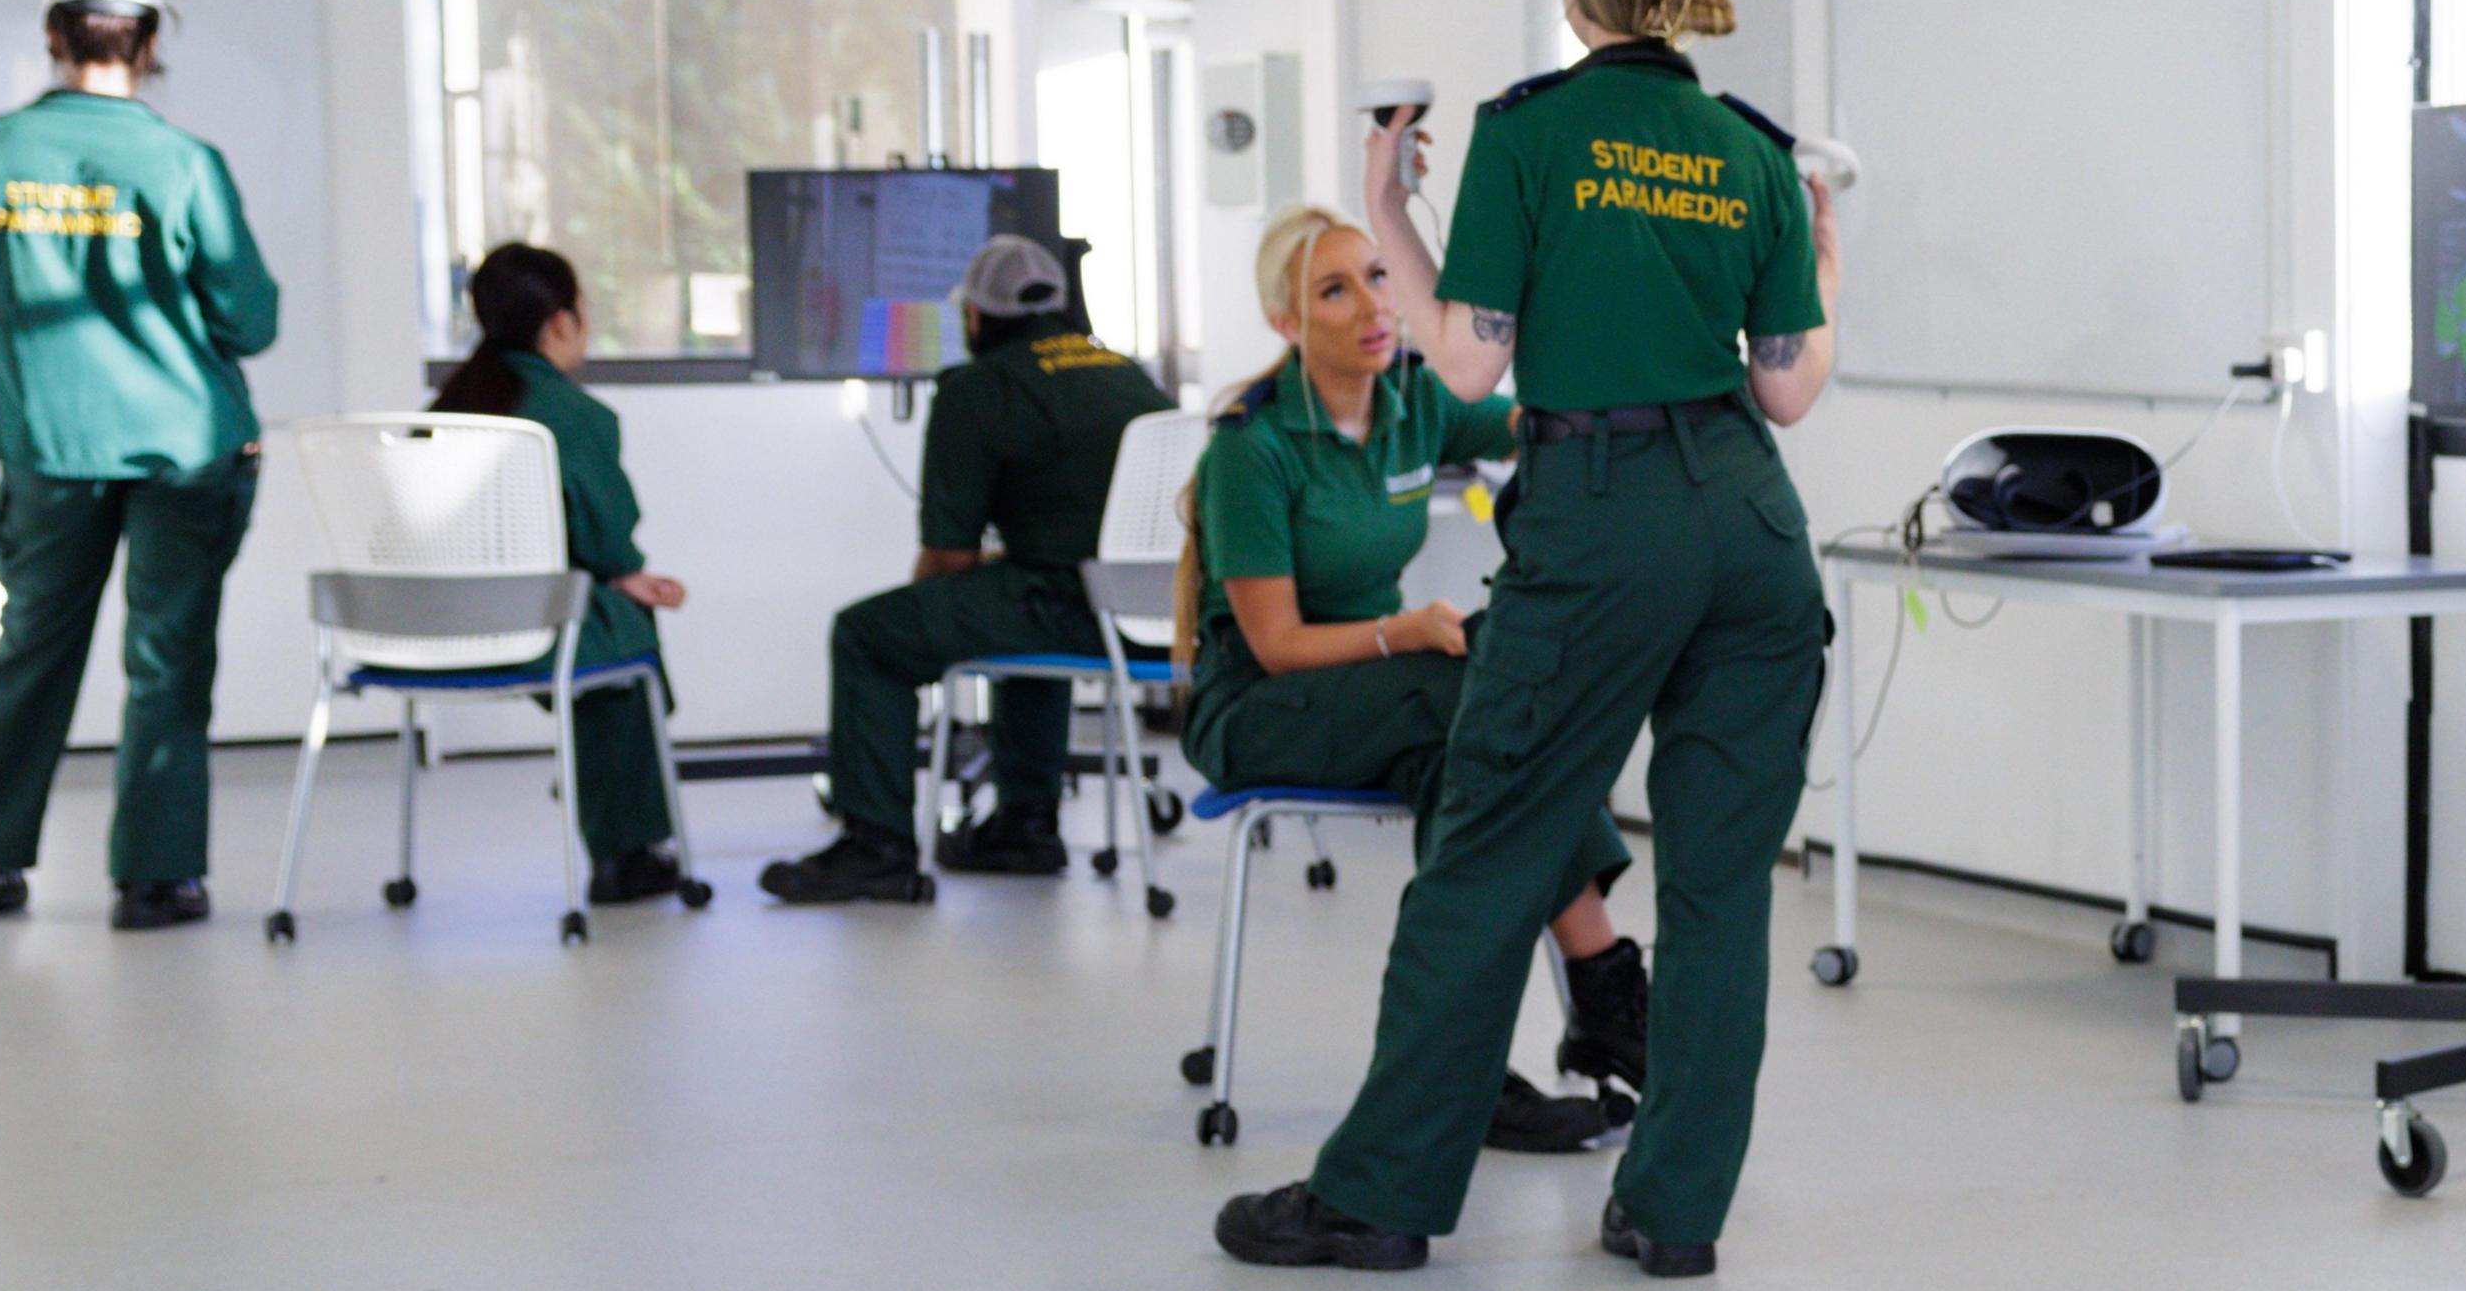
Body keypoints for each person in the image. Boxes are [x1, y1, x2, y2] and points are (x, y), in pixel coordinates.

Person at [1217, 0, 1841, 1279]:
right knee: (1721, 883)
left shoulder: (1528, 133)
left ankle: (1378, 1196)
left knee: (1489, 846)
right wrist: (1820, 248)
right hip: (1751, 526)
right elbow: (1792, 388)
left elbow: (1472, 363)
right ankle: (1672, 1214)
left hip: (1603, 514)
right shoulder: (1754, 151)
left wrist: (1389, 213)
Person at [1178, 204, 1653, 1155]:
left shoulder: (1411, 401)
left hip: (1384, 701)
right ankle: (1609, 989)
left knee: (1467, 765)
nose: (1371, 304)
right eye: (1334, 289)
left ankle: (1470, 1072)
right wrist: (1405, 630)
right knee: (1464, 698)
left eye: (1377, 277)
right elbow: (1276, 645)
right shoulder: (1252, 445)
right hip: (1259, 704)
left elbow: (1529, 419)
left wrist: (1623, 401)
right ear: (1286, 323)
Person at [0, 0, 278, 931]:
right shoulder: (182, 162)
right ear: (150, 45)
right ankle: (157, 881)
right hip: (183, 448)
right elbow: (250, 318)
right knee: (167, 659)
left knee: (28, 648)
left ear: (52, 38)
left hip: (50, 444)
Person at [761, 235, 1174, 903]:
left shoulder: (977, 389)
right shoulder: (1130, 375)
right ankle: (1025, 826)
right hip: (1157, 618)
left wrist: (924, 616)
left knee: (868, 636)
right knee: (1013, 609)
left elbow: (949, 558)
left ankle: (876, 846)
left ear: (975, 318)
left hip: (1065, 607)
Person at [424, 244, 702, 905]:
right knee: (622, 630)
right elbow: (607, 537)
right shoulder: (576, 418)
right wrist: (624, 575)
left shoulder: (440, 412)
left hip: (426, 626)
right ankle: (624, 851)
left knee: (606, 617)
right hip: (527, 624)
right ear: (559, 323)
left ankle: (595, 784)